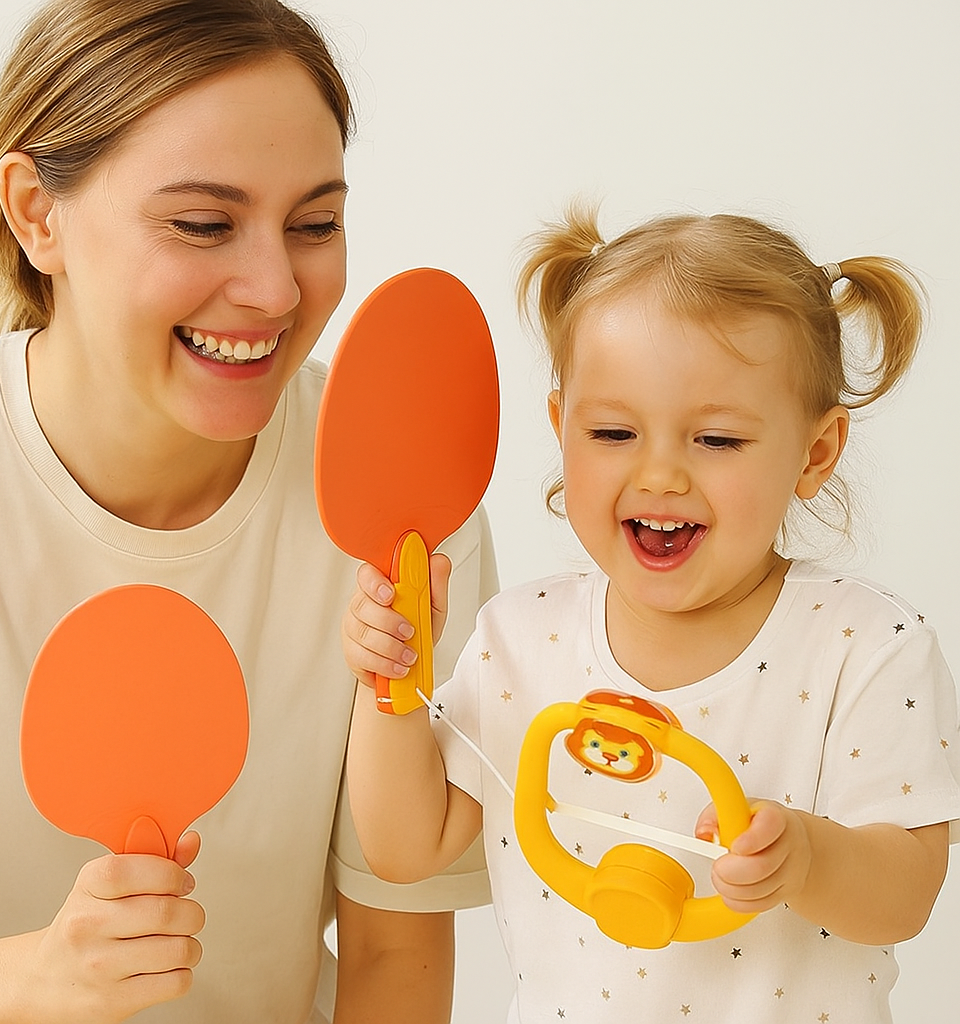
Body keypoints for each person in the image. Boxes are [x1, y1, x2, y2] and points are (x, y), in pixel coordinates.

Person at [0, 1, 497, 1021]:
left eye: (316, 224)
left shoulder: (403, 501)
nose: (277, 287)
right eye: (203, 223)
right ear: (36, 212)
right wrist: (32, 980)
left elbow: (394, 951)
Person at [343, 207, 960, 1022]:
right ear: (561, 425)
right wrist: (389, 682)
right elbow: (402, 848)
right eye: (613, 431)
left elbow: (905, 898)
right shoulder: (522, 638)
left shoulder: (865, 646)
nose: (660, 474)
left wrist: (807, 858)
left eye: (716, 440)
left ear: (815, 453)